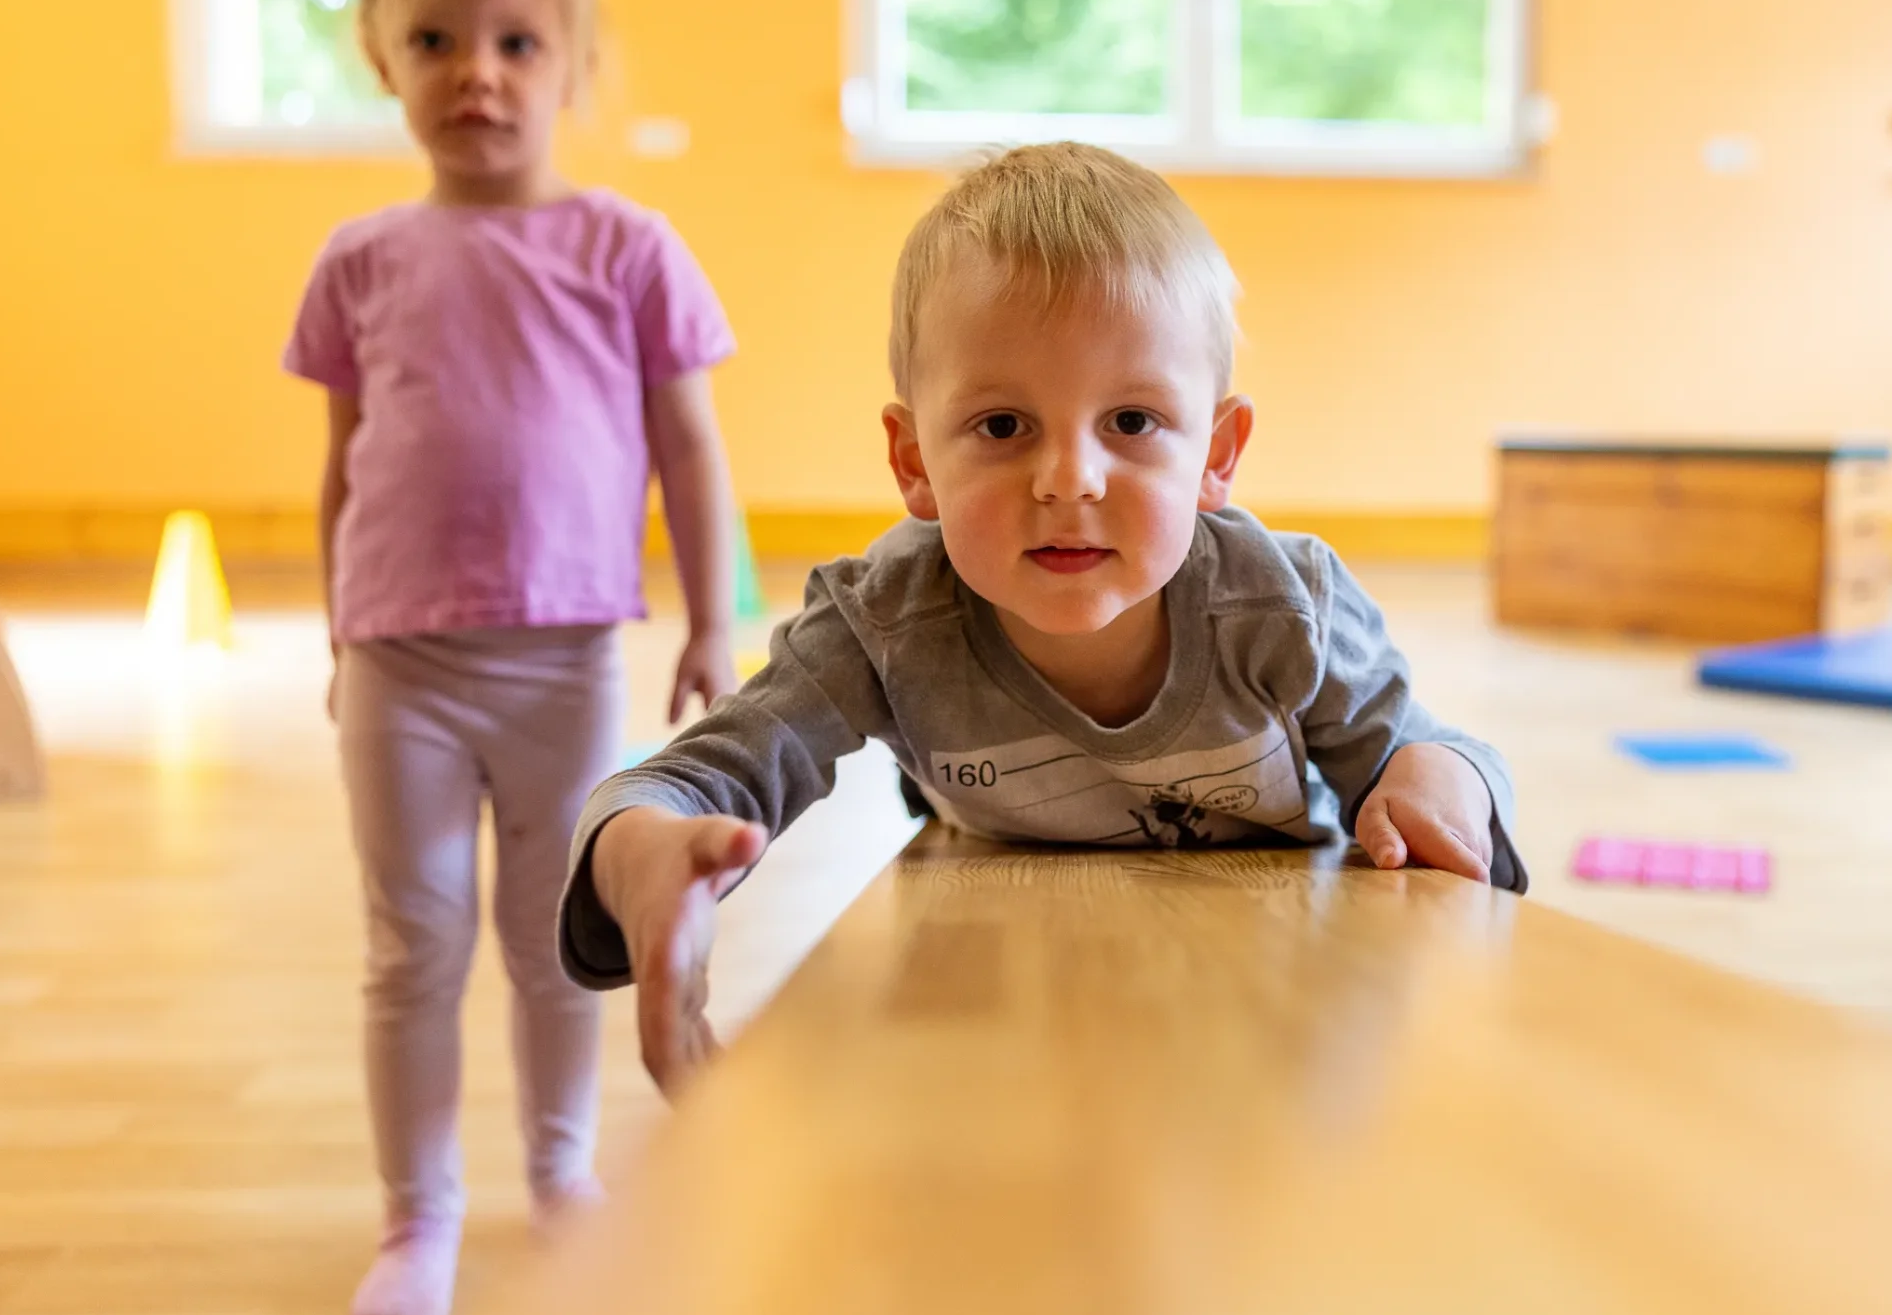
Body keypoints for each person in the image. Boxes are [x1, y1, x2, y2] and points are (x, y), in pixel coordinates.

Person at [553, 142, 1524, 1094]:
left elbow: (1420, 757)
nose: (1069, 480)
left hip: (1263, 1005)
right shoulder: (884, 621)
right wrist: (642, 844)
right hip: (1006, 1005)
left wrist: (1438, 781)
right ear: (914, 461)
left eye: (1132, 422)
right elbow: (697, 775)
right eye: (1003, 426)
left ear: (1218, 451)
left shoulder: (1280, 604)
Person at [282, 0, 742, 1315]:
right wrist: (337, 626)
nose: (476, 71)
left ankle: (559, 1171)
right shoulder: (359, 261)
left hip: (562, 658)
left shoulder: (626, 248)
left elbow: (689, 446)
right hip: (402, 660)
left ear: (574, 66)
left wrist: (712, 618)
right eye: (435, 39)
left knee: (555, 940)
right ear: (383, 61)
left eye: (517, 43)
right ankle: (417, 1210)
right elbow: (346, 463)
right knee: (409, 939)